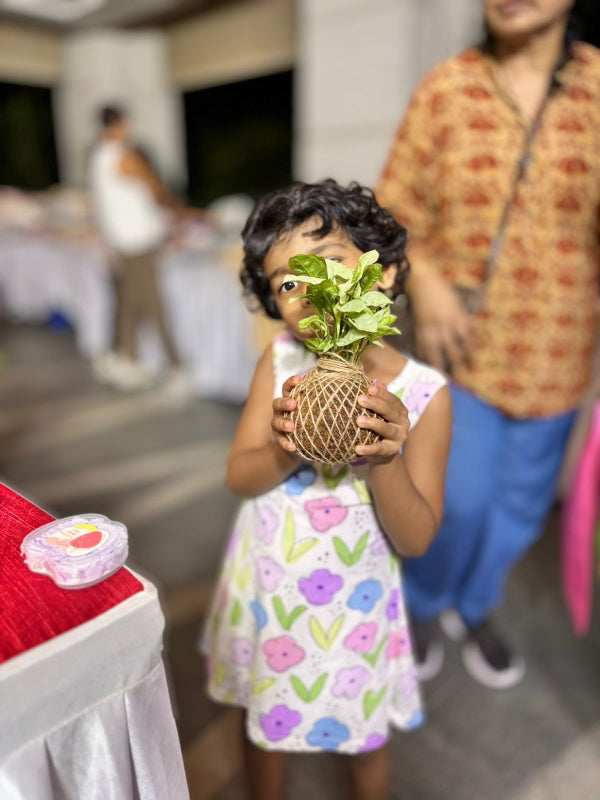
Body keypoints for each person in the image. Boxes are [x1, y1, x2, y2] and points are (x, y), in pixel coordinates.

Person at [202, 180, 451, 800]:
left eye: (328, 263)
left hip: (356, 605)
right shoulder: (281, 363)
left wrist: (385, 456)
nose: (308, 286)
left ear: (384, 276)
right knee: (265, 728)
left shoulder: (424, 394)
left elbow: (416, 538)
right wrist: (287, 448)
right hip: (271, 585)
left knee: (364, 740)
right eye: (286, 280)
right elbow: (239, 475)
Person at [376, 0, 600, 689]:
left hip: (560, 356)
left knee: (519, 513)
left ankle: (475, 607)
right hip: (460, 355)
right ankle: (419, 603)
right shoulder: (448, 87)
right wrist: (431, 281)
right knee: (457, 501)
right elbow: (392, 207)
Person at [89, 105, 191, 397]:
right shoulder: (121, 155)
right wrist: (175, 207)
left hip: (122, 241)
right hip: (138, 241)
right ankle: (176, 367)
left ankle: (128, 359)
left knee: (130, 303)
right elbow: (154, 186)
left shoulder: (97, 157)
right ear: (119, 124)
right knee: (151, 304)